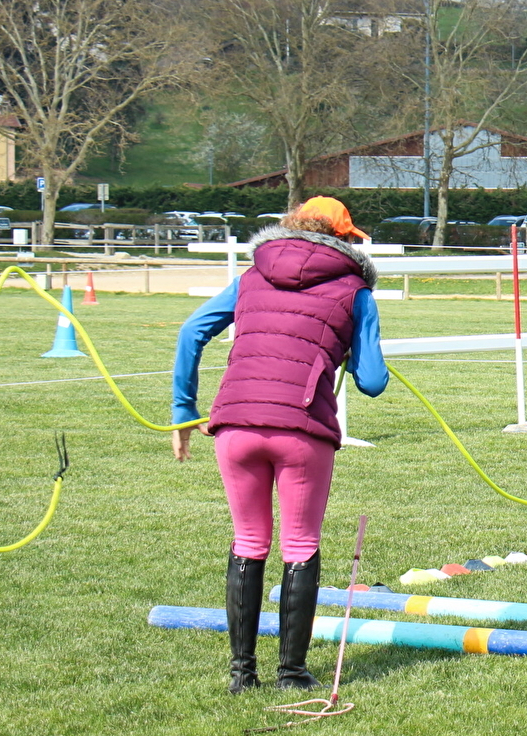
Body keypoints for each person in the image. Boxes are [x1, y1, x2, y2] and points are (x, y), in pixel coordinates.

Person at [171, 196, 388, 694]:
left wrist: (184, 411)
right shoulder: (356, 290)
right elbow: (372, 382)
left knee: (248, 542)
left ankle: (241, 674)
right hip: (302, 430)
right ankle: (291, 672)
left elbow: (191, 332)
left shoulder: (250, 276)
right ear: (345, 239)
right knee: (300, 547)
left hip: (236, 425)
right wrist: (352, 356)